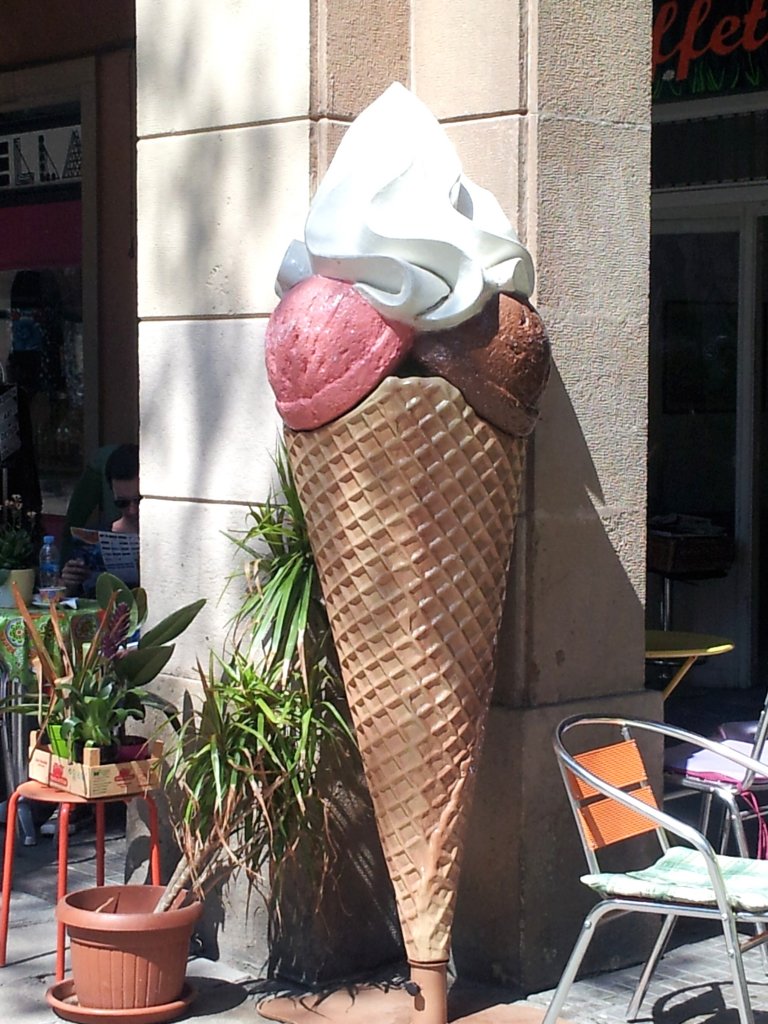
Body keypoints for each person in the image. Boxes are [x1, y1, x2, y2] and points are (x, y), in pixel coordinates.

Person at [60, 443, 140, 595]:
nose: (132, 510)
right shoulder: (100, 534)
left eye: (139, 500)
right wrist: (70, 583)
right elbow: (68, 596)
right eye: (122, 503)